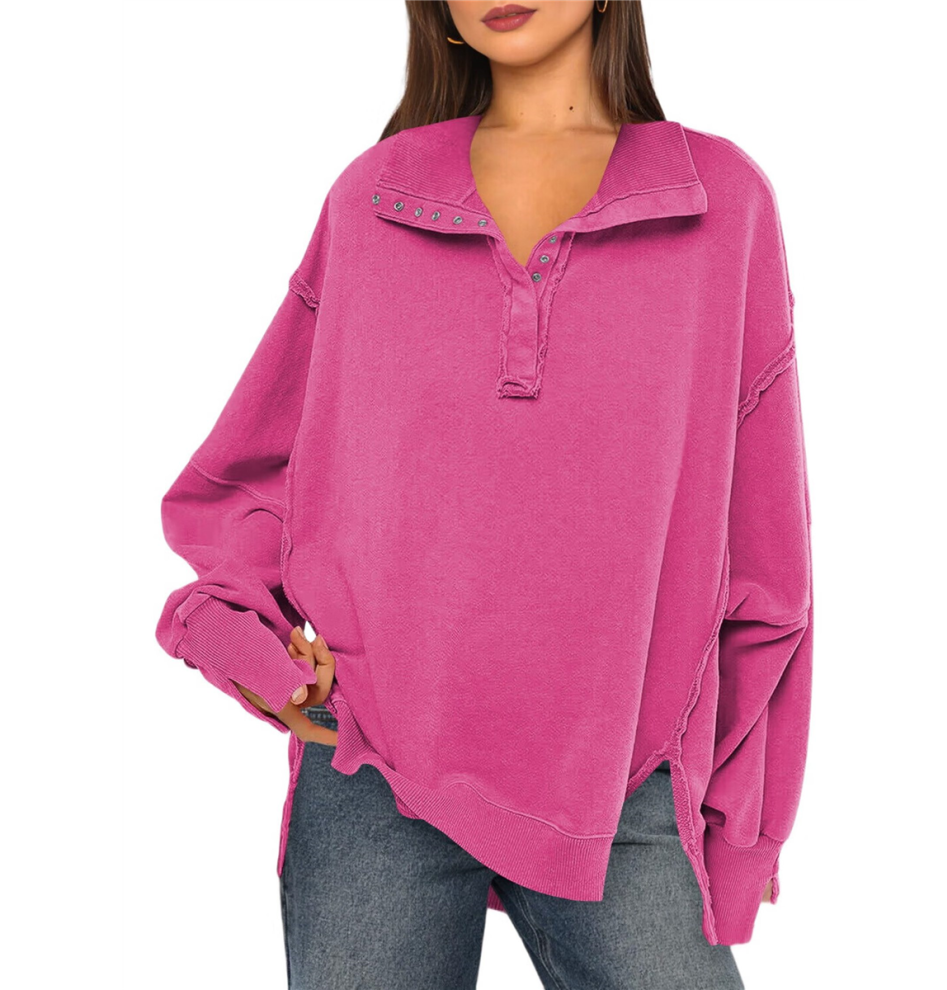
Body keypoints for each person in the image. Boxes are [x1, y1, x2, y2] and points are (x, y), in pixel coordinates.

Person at [154, 1, 814, 987]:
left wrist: (745, 828)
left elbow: (767, 554)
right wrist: (248, 641)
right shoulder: (374, 198)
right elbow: (253, 471)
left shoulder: (719, 201)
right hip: (373, 769)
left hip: (625, 782)